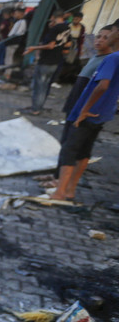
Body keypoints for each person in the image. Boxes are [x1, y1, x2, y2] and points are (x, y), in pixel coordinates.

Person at [51, 23, 119, 201]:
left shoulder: (112, 58)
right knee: (83, 152)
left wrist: (84, 109)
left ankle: (60, 192)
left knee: (69, 149)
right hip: (102, 113)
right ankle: (69, 190)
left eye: (110, 33)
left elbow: (102, 85)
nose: (106, 37)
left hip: (89, 112)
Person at [23, 8, 70, 115]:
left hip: (46, 61)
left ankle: (35, 109)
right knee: (45, 86)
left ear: (53, 17)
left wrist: (33, 48)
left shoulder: (55, 29)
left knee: (39, 86)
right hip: (56, 61)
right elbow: (68, 44)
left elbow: (50, 45)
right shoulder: (67, 28)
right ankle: (39, 107)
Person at [4, 7, 27, 78]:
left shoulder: (22, 22)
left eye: (16, 13)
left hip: (13, 42)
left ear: (21, 14)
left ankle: (8, 74)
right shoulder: (18, 21)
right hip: (11, 41)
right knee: (8, 58)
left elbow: (18, 33)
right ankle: (7, 73)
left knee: (9, 58)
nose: (15, 14)